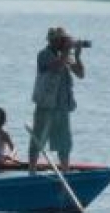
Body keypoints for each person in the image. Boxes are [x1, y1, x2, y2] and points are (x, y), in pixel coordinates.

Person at [28, 27, 86, 175]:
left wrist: (77, 56)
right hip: (46, 105)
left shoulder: (65, 55)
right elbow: (56, 66)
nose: (64, 42)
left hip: (62, 107)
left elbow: (80, 74)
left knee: (64, 143)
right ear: (53, 41)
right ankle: (32, 172)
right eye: (62, 40)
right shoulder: (43, 55)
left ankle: (65, 173)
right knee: (38, 139)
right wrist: (67, 51)